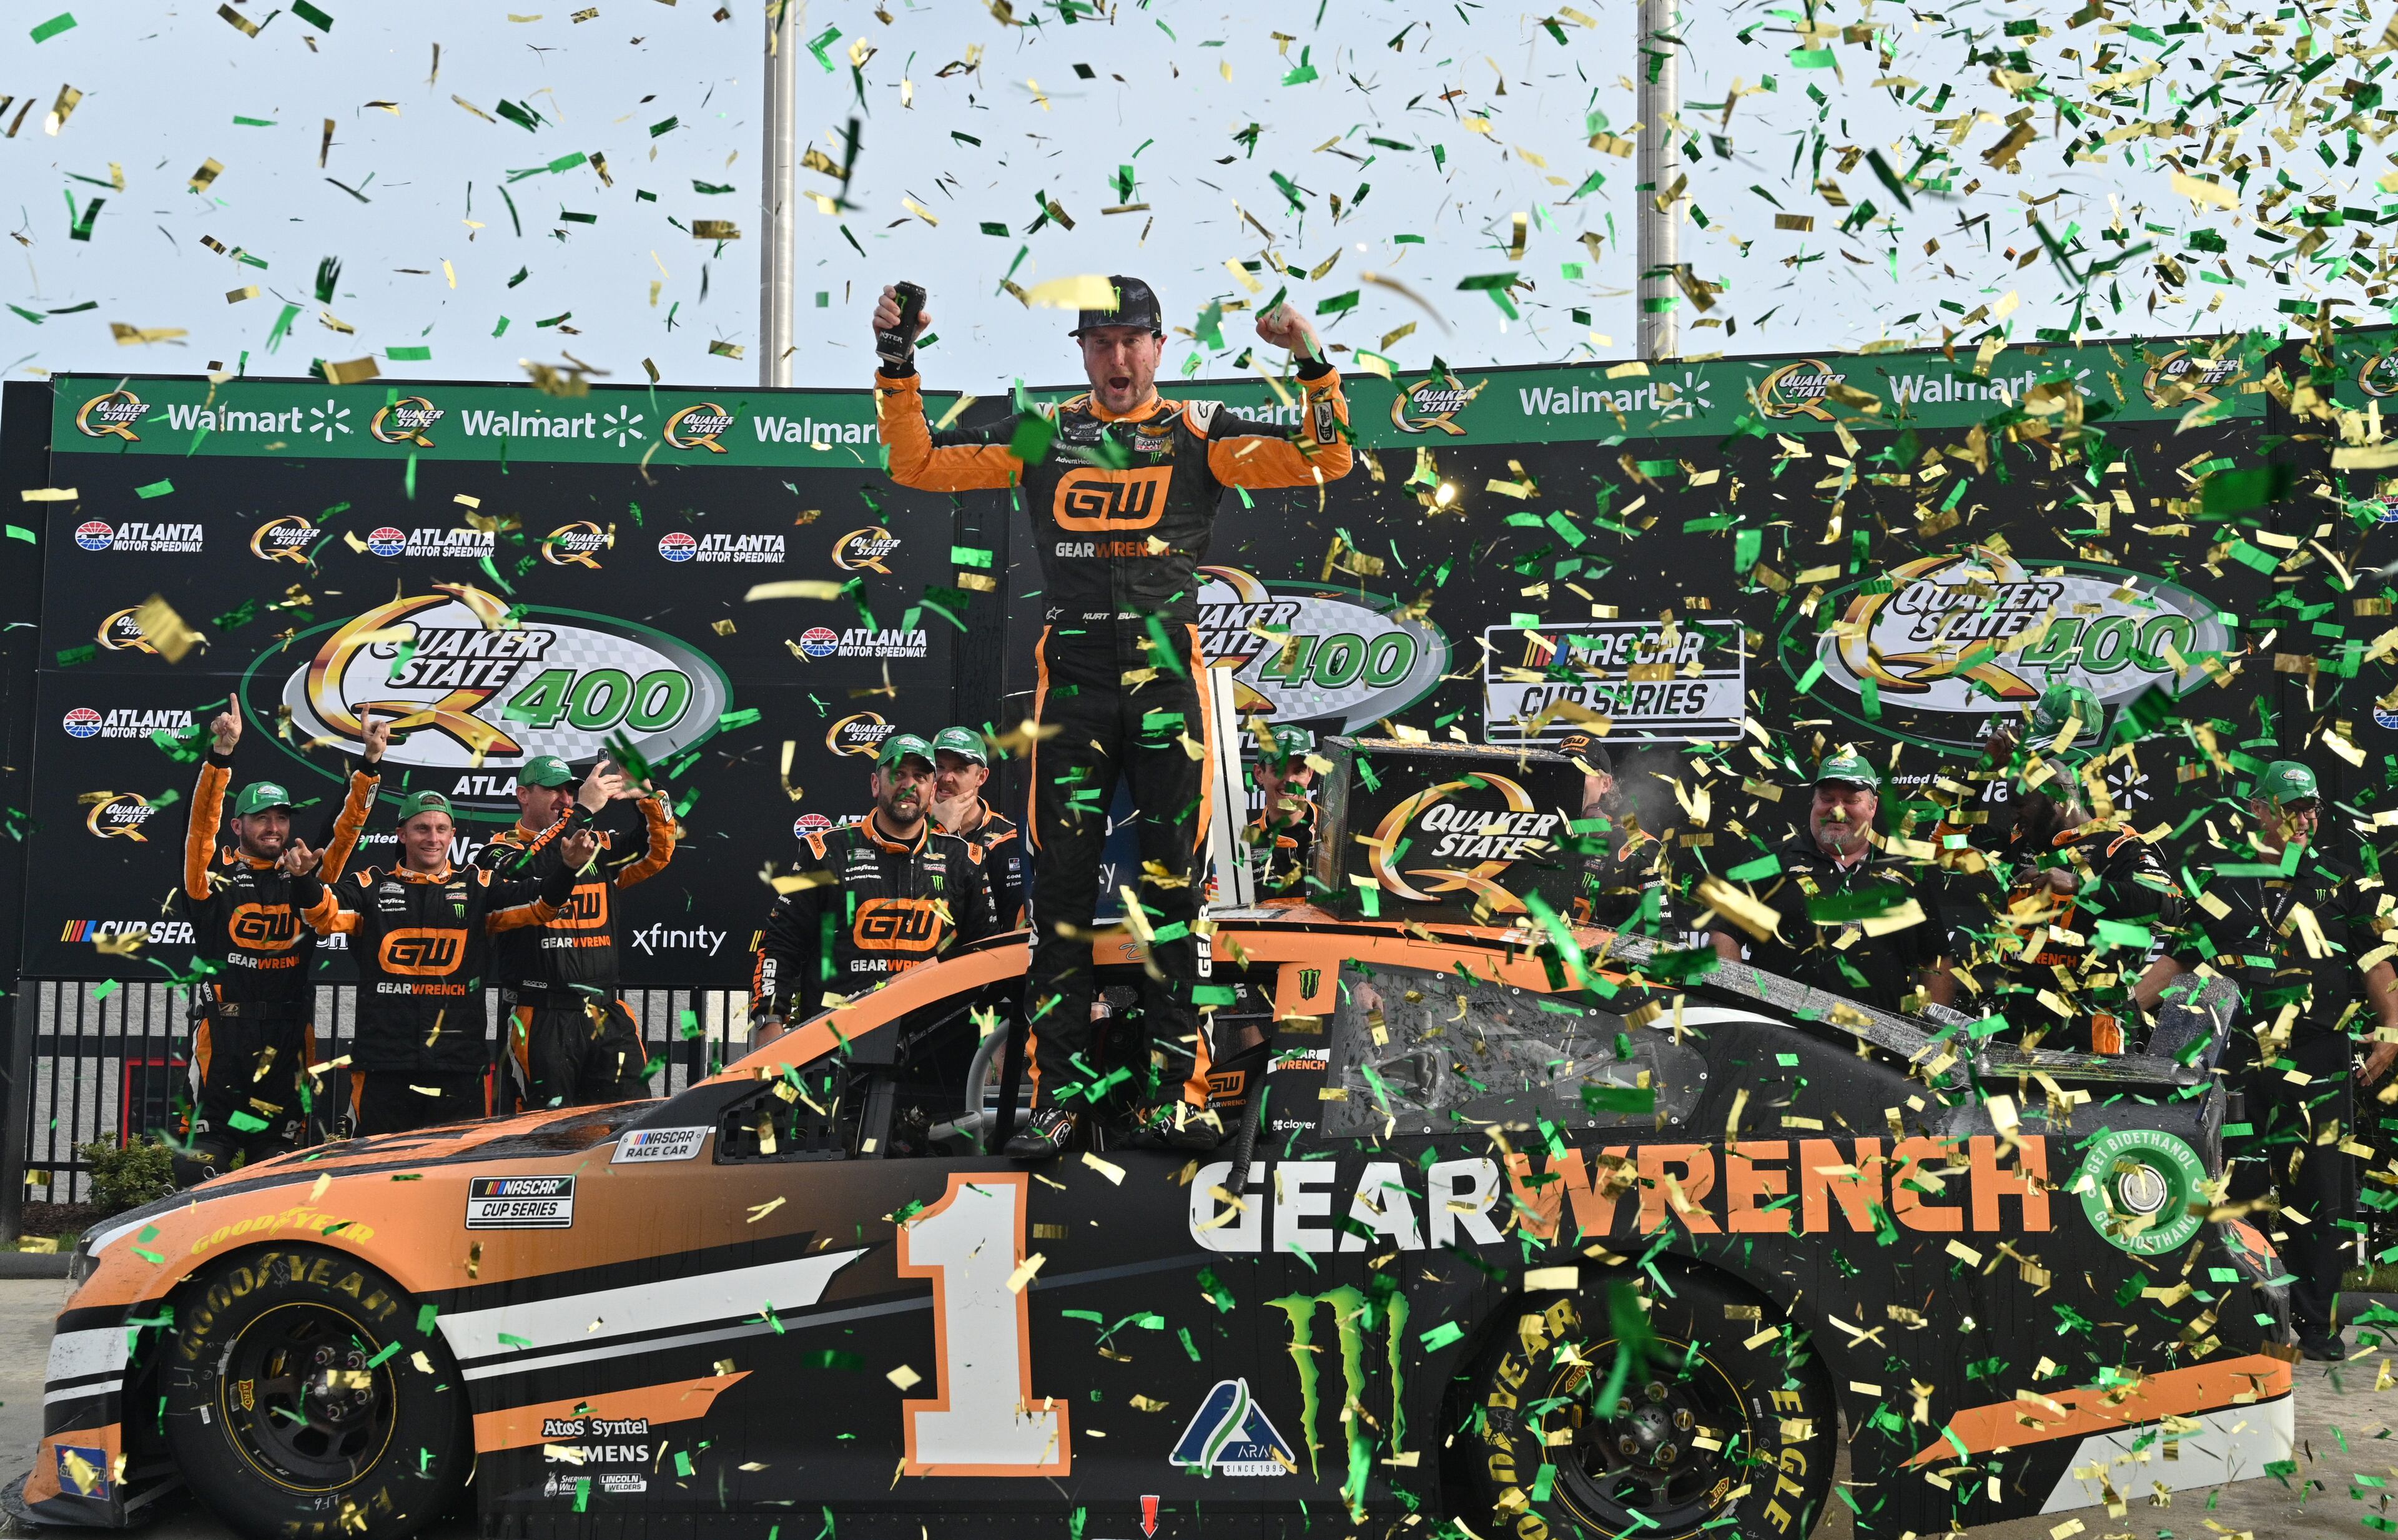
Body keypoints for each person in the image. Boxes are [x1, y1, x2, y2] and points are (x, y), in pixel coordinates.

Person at [870, 275, 1354, 1158]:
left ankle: (1178, 1094)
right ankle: (1059, 1099)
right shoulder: (1044, 431)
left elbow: (1328, 458)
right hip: (1076, 677)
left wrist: (1312, 360)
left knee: (1174, 890)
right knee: (1059, 896)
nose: (1118, 358)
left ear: (1160, 347)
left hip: (1167, 676)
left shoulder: (1198, 430)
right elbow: (919, 463)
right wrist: (897, 364)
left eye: (1133, 341)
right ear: (1084, 353)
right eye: (1101, 343)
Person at [2199, 760, 2398, 1359]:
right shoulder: (2226, 880)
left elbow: (2378, 965)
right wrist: (2135, 1004)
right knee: (2240, 1182)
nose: (2306, 818)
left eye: (2311, 806)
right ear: (2259, 810)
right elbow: (2184, 958)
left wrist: (2392, 1029)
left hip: (2317, 1054)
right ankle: (2251, 1319)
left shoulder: (2343, 881)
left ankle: (2318, 1325)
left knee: (2319, 1187)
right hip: (2239, 1055)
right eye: (2292, 808)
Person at [171, 703, 388, 1186]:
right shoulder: (213, 879)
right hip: (223, 1039)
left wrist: (371, 765)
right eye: (261, 818)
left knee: (281, 1171)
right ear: (238, 826)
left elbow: (345, 830)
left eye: (281, 818)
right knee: (196, 1166)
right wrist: (221, 756)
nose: (274, 827)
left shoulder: (306, 877)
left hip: (289, 1040)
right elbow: (199, 829)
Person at [290, 791, 591, 1137]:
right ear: (402, 834)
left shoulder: (479, 887)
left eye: (441, 829)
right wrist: (303, 880)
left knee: (456, 1164)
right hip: (384, 1063)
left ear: (452, 835)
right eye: (422, 828)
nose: (432, 838)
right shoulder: (371, 886)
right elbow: (323, 912)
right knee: (376, 1164)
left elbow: (540, 904)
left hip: (459, 1064)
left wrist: (568, 870)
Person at [751, 734, 1000, 1047]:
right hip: (835, 1044)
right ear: (875, 784)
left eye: (920, 777)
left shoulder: (964, 860)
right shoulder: (826, 851)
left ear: (932, 790)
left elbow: (987, 960)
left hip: (935, 1050)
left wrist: (989, 1042)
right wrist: (769, 1021)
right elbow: (780, 945)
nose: (909, 785)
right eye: (898, 774)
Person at [473, 754, 679, 1111]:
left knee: (627, 1124)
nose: (565, 799)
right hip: (539, 1015)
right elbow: (530, 869)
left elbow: (657, 851)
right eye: (553, 790)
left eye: (570, 792)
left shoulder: (595, 846)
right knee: (543, 1132)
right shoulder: (498, 852)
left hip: (606, 1013)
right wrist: (581, 812)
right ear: (523, 795)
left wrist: (649, 796)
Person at [1709, 749, 1956, 1016]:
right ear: (1814, 802)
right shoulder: (1767, 861)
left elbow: (1936, 959)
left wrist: (1927, 1032)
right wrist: (1737, 1009)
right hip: (1784, 1034)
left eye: (1851, 800)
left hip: (1878, 1038)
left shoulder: (1906, 873)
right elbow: (1725, 933)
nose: (1837, 810)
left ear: (1873, 806)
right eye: (1827, 799)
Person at [1974, 761, 2198, 1053]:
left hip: (2092, 1031)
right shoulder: (2019, 843)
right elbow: (1941, 844)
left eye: (2020, 804)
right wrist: (1981, 769)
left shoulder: (2118, 845)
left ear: (2058, 797)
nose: (2014, 815)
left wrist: (2080, 884)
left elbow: (2170, 906)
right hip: (2017, 1025)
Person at [928, 726, 1025, 930]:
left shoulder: (1009, 837)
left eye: (960, 769)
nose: (946, 778)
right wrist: (937, 829)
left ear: (981, 777)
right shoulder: (910, 830)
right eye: (940, 767)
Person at [1246, 724, 1318, 901]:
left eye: (1299, 771)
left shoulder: (1335, 835)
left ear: (1310, 773)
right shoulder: (1245, 843)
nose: (1289, 780)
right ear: (1259, 774)